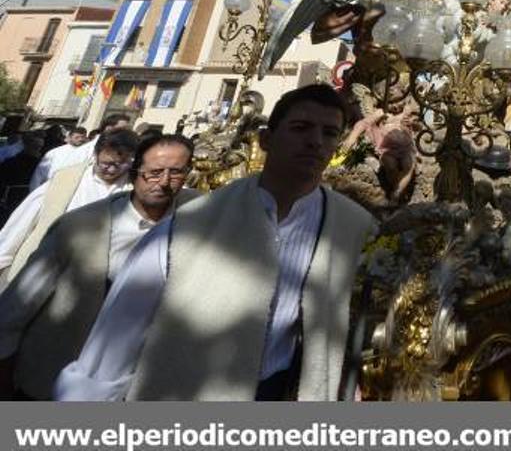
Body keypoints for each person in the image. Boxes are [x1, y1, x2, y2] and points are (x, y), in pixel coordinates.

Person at [55, 84, 376, 401]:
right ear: (266, 139)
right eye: (301, 128)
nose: (316, 142)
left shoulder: (354, 226)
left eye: (330, 133)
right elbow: (120, 331)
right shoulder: (190, 224)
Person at [0, 134, 197, 399]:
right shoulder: (77, 226)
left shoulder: (196, 224)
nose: (163, 182)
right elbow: (17, 305)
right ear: (135, 172)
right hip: (51, 380)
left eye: (175, 173)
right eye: (154, 172)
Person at [0, 129, 138, 288]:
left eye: (122, 164)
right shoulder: (64, 179)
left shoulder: (133, 190)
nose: (113, 170)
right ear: (95, 154)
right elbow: (22, 223)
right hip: (40, 270)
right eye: (107, 163)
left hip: (89, 284)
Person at [31, 116, 128, 191]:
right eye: (123, 129)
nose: (127, 133)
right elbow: (56, 178)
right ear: (108, 129)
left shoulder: (124, 155)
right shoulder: (81, 152)